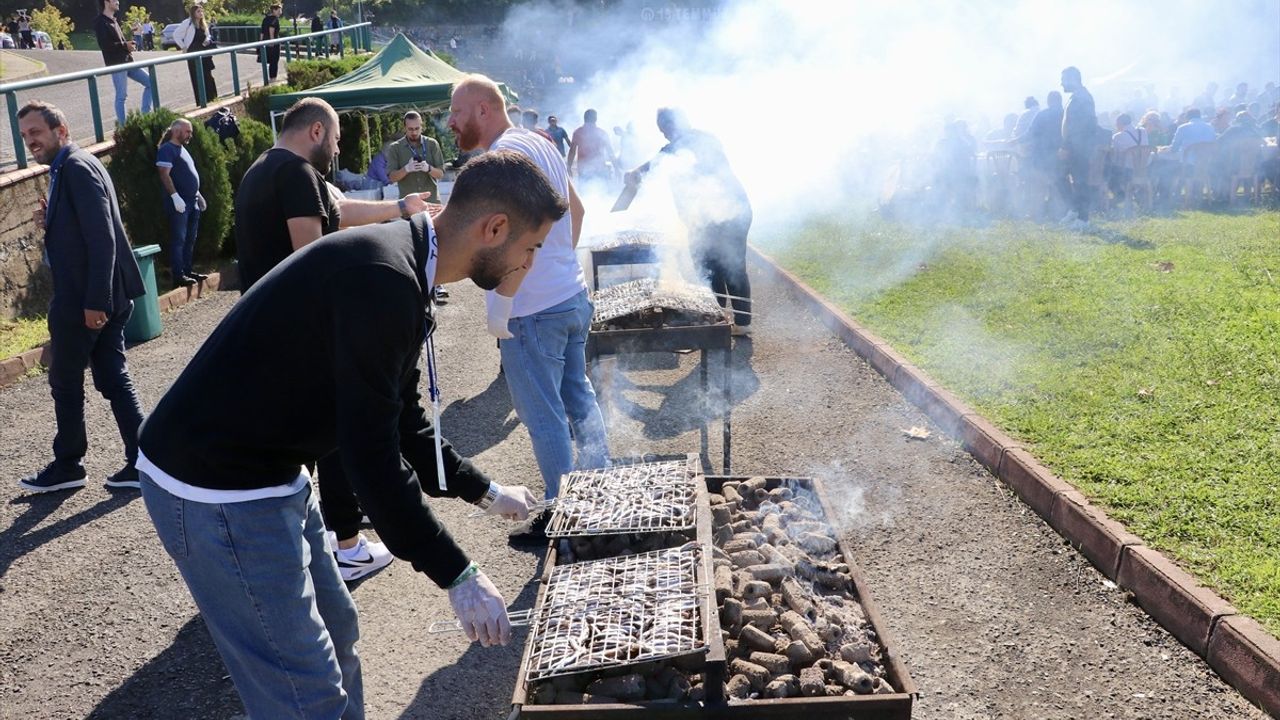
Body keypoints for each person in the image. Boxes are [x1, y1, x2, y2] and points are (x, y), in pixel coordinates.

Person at [137, 150, 554, 719]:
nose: (528, 266)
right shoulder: (382, 279)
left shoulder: (404, 263)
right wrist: (457, 573)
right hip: (217, 489)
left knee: (338, 633)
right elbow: (370, 457)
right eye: (530, 249)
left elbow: (401, 419)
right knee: (303, 696)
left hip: (271, 471)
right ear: (495, 229)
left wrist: (484, 492)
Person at [235, 98, 431, 579]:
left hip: (269, 328)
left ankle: (323, 536)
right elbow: (313, 257)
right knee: (337, 435)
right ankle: (347, 545)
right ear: (317, 132)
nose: (339, 148)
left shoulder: (267, 168)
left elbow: (340, 209)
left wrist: (402, 209)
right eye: (338, 139)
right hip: (301, 330)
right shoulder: (298, 175)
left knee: (309, 438)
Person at [447, 75, 609, 544]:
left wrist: (503, 300)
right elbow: (575, 213)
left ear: (483, 109)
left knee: (545, 417)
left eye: (456, 112)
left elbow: (521, 243)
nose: (451, 122)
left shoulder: (505, 160)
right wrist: (560, 269)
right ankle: (601, 495)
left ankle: (568, 518)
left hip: (535, 312)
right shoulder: (541, 143)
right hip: (571, 298)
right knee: (579, 400)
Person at [16, 101, 146, 494]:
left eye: (35, 132)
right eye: (24, 136)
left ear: (61, 130)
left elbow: (102, 237)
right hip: (98, 292)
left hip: (85, 297)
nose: (30, 141)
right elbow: (84, 226)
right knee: (111, 376)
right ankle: (144, 461)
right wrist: (49, 220)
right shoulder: (70, 165)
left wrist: (96, 302)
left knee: (65, 379)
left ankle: (69, 464)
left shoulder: (74, 167)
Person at [625, 107, 754, 333]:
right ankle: (719, 316)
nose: (664, 135)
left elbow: (669, 155)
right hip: (707, 219)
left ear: (674, 124)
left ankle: (741, 323)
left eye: (665, 129)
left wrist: (638, 170)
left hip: (729, 212)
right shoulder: (682, 144)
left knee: (731, 265)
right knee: (708, 264)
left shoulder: (697, 140)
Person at [156, 118, 208, 289]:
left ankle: (187, 269)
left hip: (192, 201)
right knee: (179, 239)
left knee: (190, 239)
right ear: (176, 131)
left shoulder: (183, 149)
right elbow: (164, 174)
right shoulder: (167, 150)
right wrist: (175, 197)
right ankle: (178, 275)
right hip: (179, 202)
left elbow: (188, 174)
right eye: (187, 131)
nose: (190, 135)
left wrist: (198, 194)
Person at [94, 0, 153, 127]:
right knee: (121, 96)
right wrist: (124, 45)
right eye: (115, 0)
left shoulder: (114, 20)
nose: (118, 2)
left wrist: (128, 45)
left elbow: (118, 43)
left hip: (128, 61)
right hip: (116, 64)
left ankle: (146, 117)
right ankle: (124, 128)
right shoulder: (100, 22)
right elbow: (104, 45)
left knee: (150, 82)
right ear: (106, 2)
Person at [1058, 66, 1097, 228]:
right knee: (1059, 176)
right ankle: (1074, 209)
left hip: (1080, 147)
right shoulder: (1077, 97)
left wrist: (1067, 146)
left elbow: (1081, 126)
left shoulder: (1083, 98)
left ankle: (1083, 219)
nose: (1061, 83)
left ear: (1072, 79)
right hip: (1075, 146)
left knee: (1081, 182)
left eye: (1063, 79)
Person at [386, 110, 445, 203]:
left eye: (417, 128)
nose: (414, 132)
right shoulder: (395, 148)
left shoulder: (432, 144)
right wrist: (406, 169)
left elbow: (440, 174)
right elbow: (392, 178)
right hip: (408, 205)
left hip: (431, 202)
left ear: (422, 127)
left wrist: (429, 169)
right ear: (404, 128)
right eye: (410, 129)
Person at [176, 3, 218, 105]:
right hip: (193, 52)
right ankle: (201, 101)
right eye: (198, 11)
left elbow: (207, 35)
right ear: (193, 13)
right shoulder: (188, 23)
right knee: (197, 78)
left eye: (202, 11)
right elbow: (176, 34)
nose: (201, 13)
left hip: (204, 53)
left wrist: (207, 41)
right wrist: (183, 47)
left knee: (208, 76)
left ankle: (212, 98)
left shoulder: (203, 23)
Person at [567, 109, 614, 185]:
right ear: (596, 119)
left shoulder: (578, 132)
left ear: (584, 118)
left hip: (583, 168)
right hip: (600, 168)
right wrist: (616, 167)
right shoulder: (602, 132)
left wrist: (569, 166)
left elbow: (572, 151)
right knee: (601, 191)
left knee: (585, 192)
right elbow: (610, 151)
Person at [260, 3, 282, 81]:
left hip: (265, 42)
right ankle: (273, 78)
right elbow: (271, 29)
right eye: (279, 10)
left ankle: (268, 78)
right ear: (274, 10)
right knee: (274, 61)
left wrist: (260, 43)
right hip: (273, 43)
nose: (280, 12)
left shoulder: (265, 19)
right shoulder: (275, 19)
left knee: (268, 60)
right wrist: (272, 41)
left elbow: (262, 32)